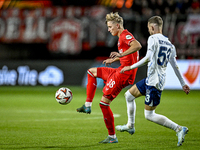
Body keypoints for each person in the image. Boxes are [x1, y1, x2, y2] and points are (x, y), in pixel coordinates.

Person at [111, 16, 190, 147]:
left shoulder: (153, 38)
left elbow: (148, 58)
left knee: (149, 115)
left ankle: (179, 128)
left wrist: (130, 67)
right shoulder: (170, 44)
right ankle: (130, 125)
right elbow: (175, 65)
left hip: (154, 82)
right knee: (129, 95)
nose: (149, 31)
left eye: (149, 28)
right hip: (152, 80)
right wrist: (183, 83)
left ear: (152, 27)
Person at [76, 12, 142, 143]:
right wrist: (120, 55)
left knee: (103, 104)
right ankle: (87, 105)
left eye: (110, 26)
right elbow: (130, 54)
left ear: (118, 25)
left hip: (123, 75)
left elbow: (137, 45)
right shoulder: (122, 37)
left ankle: (112, 137)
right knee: (91, 72)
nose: (109, 29)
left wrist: (118, 57)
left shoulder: (125, 35)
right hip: (120, 70)